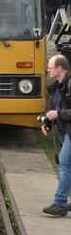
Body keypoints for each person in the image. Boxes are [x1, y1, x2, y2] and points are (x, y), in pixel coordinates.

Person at [41, 55, 71, 216]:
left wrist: (58, 114)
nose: (48, 70)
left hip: (69, 133)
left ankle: (60, 203)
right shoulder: (56, 88)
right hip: (65, 131)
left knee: (64, 164)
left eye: (51, 67)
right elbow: (53, 112)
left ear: (60, 68)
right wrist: (47, 124)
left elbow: (58, 112)